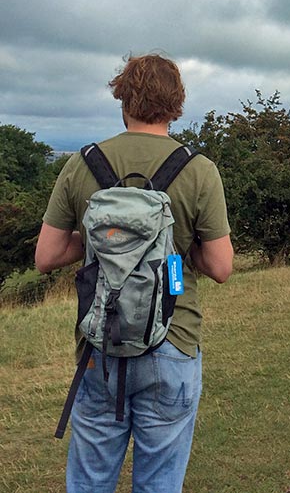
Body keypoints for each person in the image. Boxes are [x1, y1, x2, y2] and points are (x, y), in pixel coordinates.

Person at [35, 53, 233, 493]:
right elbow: (221, 267)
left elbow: (46, 256)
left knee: (89, 482)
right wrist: (181, 249)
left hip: (98, 344)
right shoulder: (198, 170)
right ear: (177, 104)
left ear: (122, 97)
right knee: (159, 483)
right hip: (173, 340)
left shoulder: (83, 163)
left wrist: (101, 245)